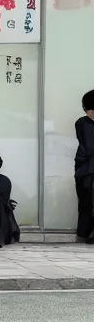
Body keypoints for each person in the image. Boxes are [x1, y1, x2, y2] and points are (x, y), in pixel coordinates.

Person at [75, 90, 94, 244]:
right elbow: (88, 146)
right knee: (86, 202)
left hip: (86, 170)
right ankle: (85, 232)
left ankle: (86, 233)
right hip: (86, 170)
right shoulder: (82, 123)